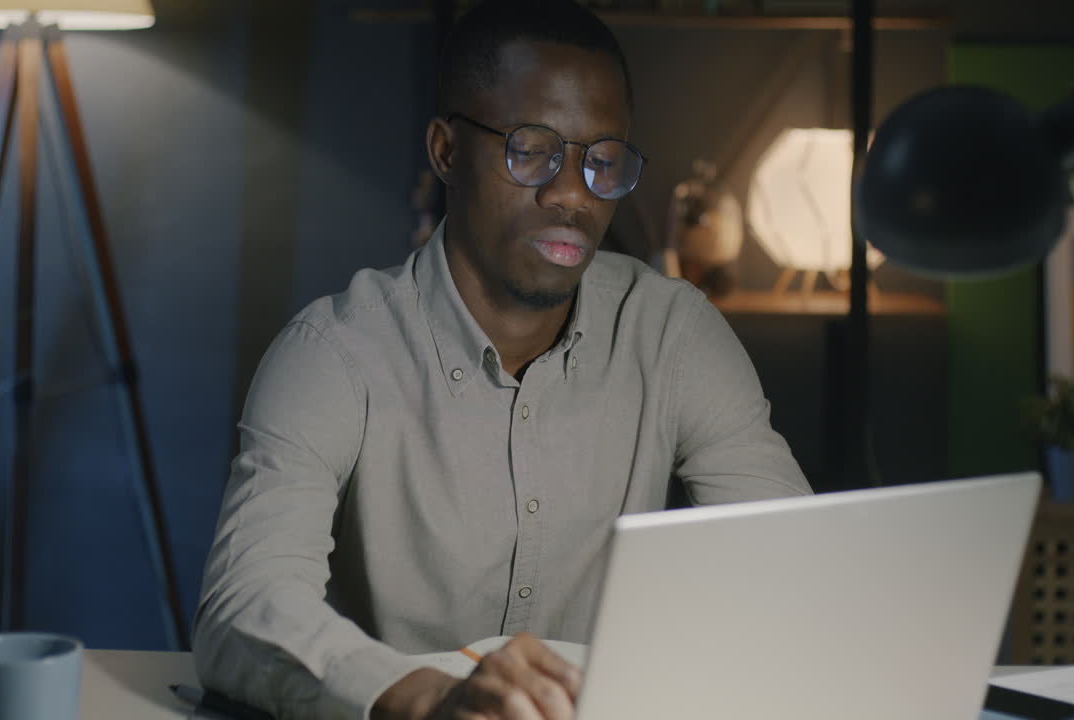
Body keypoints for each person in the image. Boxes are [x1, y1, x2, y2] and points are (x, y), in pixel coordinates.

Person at [192, 2, 811, 718]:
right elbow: (244, 606)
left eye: (602, 160)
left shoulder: (672, 333)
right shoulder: (333, 354)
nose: (571, 194)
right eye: (532, 149)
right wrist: (428, 700)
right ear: (446, 151)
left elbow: (797, 567)